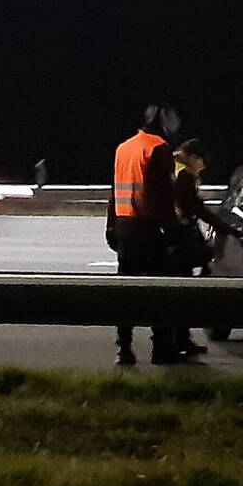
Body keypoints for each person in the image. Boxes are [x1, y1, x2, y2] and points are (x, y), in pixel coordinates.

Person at [105, 102, 182, 365]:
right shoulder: (159, 149)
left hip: (125, 227)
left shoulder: (123, 148)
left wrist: (111, 226)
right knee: (161, 291)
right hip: (150, 230)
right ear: (163, 122)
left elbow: (114, 191)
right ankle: (161, 348)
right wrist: (173, 232)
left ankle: (123, 348)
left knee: (126, 291)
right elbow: (163, 197)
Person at [169, 138, 225, 356]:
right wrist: (220, 225)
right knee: (183, 289)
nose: (204, 167)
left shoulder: (176, 167)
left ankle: (181, 339)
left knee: (180, 288)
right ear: (193, 157)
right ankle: (179, 340)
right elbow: (194, 207)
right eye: (202, 161)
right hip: (179, 235)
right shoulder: (184, 175)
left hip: (173, 232)